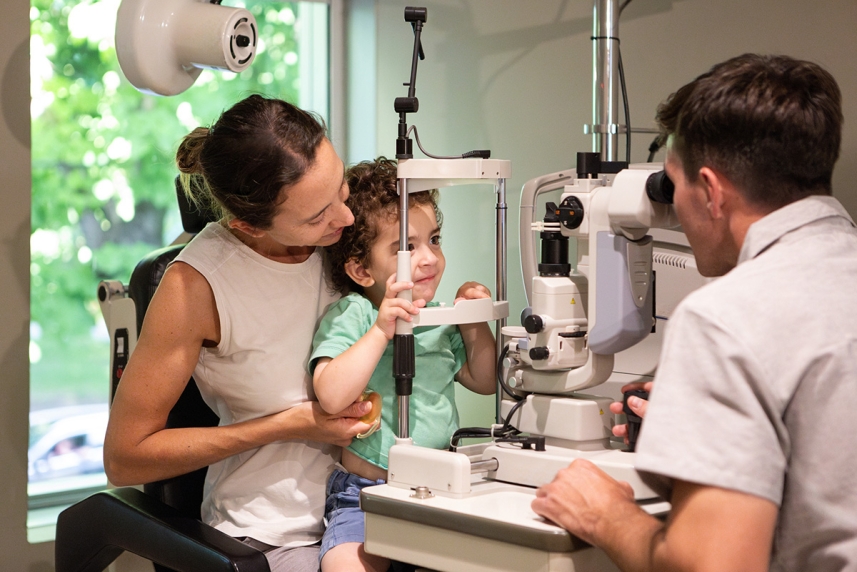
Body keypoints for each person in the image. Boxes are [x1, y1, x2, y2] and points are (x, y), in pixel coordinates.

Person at [532, 54, 857, 572]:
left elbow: (709, 566)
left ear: (710, 190)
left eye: (673, 184)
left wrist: (606, 515)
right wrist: (716, 429)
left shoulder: (726, 318)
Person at [103, 94, 375, 572]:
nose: (346, 218)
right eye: (317, 216)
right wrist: (288, 425)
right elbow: (126, 459)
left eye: (341, 188)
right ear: (247, 225)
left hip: (380, 506)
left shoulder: (349, 237)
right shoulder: (198, 285)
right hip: (275, 537)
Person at [308, 158, 497, 572]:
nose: (429, 258)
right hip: (367, 494)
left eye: (435, 239)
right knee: (344, 566)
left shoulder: (438, 319)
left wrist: (473, 322)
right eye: (406, 247)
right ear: (361, 269)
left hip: (443, 487)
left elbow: (485, 381)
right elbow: (331, 394)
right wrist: (381, 331)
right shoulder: (356, 314)